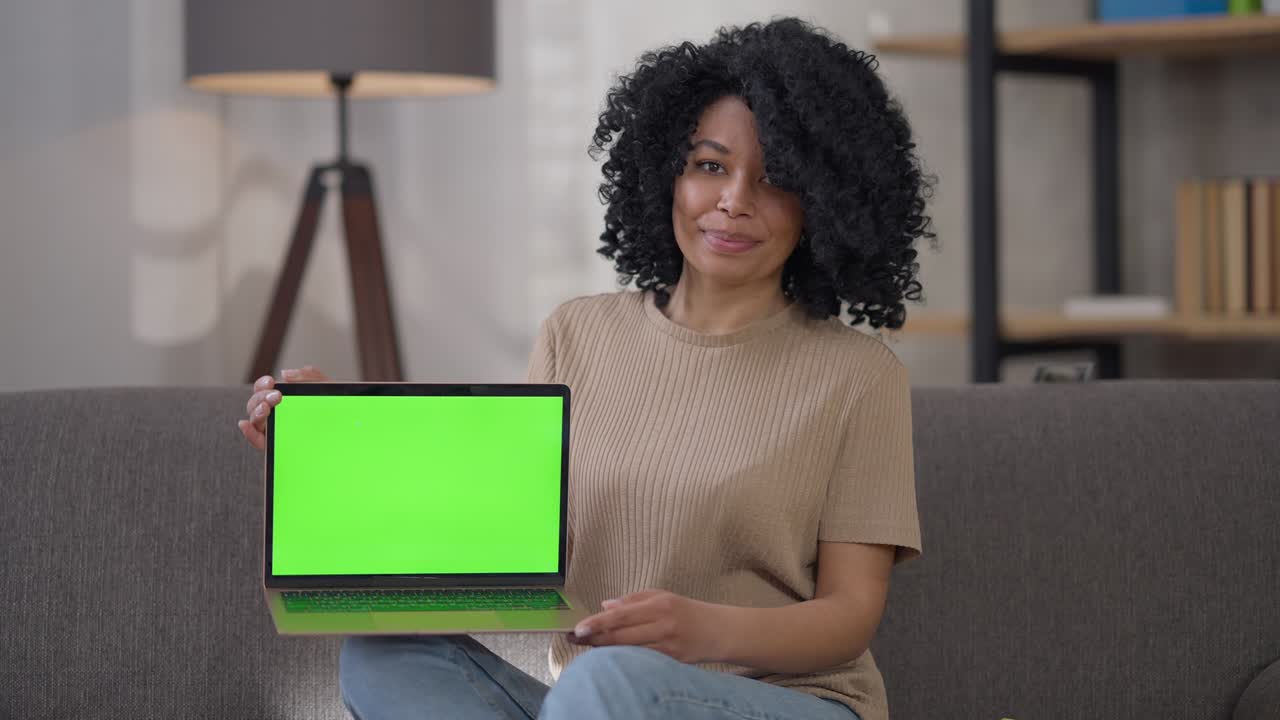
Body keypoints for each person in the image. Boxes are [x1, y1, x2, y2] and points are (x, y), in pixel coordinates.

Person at [239, 17, 932, 720]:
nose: (733, 200)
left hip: (779, 704)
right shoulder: (578, 333)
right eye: (710, 165)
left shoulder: (859, 376)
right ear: (667, 173)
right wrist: (335, 442)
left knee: (611, 683)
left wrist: (701, 630)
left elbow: (850, 615)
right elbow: (490, 531)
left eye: (775, 177)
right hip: (593, 704)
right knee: (384, 653)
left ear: (823, 204)